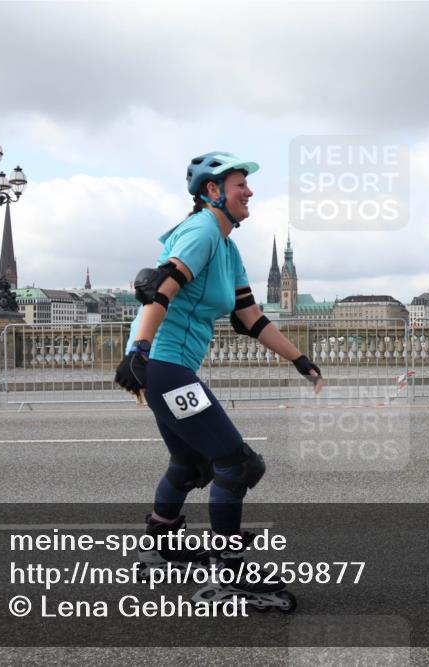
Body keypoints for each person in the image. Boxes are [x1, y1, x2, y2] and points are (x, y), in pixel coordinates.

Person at [115, 151, 323, 603]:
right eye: (238, 184)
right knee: (238, 463)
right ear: (213, 191)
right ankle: (228, 572)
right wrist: (140, 350)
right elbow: (160, 285)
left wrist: (299, 359)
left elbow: (250, 317)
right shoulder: (203, 231)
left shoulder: (227, 249)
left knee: (192, 463)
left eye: (247, 184)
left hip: (169, 368)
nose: (249, 191)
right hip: (164, 366)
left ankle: (160, 546)